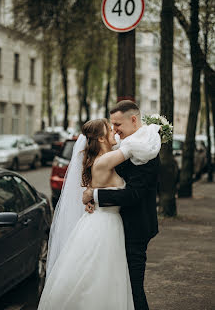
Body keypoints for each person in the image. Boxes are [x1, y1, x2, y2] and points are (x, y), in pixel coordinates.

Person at [38, 116, 160, 309]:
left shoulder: (104, 158)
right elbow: (132, 148)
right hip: (105, 225)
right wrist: (154, 129)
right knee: (99, 277)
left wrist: (92, 196)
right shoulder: (105, 161)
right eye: (111, 130)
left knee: (102, 277)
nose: (115, 132)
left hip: (105, 220)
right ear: (101, 139)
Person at [83, 100, 161, 310]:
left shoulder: (147, 150)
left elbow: (134, 194)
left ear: (133, 119)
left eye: (117, 125)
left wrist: (95, 195)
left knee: (133, 289)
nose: (115, 131)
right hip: (114, 226)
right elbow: (105, 173)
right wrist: (94, 200)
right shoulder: (127, 144)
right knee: (116, 287)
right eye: (112, 126)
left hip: (136, 227)